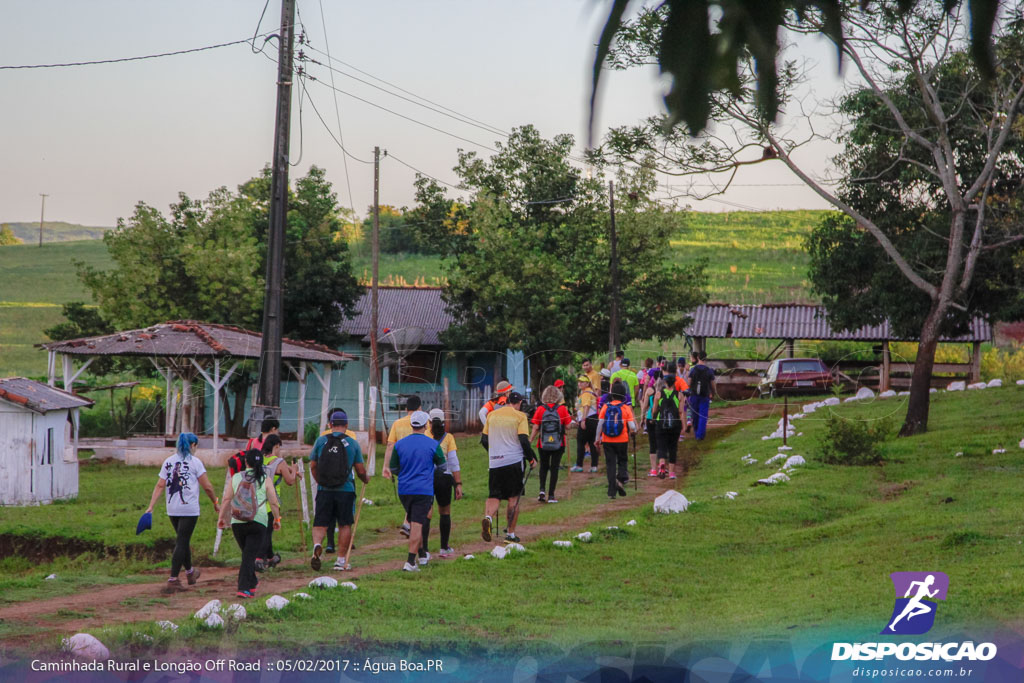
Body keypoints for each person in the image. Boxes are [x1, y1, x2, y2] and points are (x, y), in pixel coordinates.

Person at [144, 433, 219, 593]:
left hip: (172, 508)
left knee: (182, 540)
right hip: (189, 509)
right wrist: (215, 502)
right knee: (182, 542)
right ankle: (173, 579)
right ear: (192, 446)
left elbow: (159, 485)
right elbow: (207, 487)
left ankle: (191, 572)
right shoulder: (195, 462)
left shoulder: (168, 462)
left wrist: (151, 506)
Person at [309, 410, 369, 571]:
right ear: (346, 425)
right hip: (345, 490)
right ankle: (341, 560)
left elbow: (313, 465)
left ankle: (317, 546)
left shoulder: (320, 441)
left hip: (324, 489)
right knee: (344, 524)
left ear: (330, 425)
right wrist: (366, 479)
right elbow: (360, 470)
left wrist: (320, 481)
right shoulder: (353, 444)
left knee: (320, 523)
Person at [386, 411, 446, 572]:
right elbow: (443, 467)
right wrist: (429, 475)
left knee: (414, 521)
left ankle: (421, 553)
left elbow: (393, 468)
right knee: (418, 524)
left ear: (412, 425)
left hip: (404, 489)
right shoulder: (433, 444)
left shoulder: (399, 444)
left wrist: (406, 474)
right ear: (426, 425)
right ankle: (410, 562)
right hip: (423, 490)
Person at [217, 449, 280, 598]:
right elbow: (273, 502)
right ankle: (246, 586)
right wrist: (277, 519)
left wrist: (221, 517)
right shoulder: (266, 479)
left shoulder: (236, 477)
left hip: (237, 521)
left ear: (246, 462)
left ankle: (248, 584)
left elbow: (226, 499)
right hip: (258, 522)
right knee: (248, 555)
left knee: (247, 554)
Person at [480, 391, 537, 543]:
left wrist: (493, 453)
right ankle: (510, 534)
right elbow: (524, 440)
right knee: (513, 498)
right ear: (518, 403)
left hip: (495, 462)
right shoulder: (520, 416)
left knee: (494, 495)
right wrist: (531, 460)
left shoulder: (492, 415)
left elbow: (484, 440)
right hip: (513, 461)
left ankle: (488, 518)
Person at [257, 434, 301, 570]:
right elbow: (290, 481)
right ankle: (259, 559)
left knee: (263, 530)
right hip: (271, 502)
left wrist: (289, 469)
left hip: (257, 500)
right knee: (267, 532)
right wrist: (294, 471)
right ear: (276, 447)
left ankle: (270, 557)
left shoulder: (259, 458)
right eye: (279, 448)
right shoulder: (279, 461)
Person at [382, 395, 421, 537]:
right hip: (419, 462)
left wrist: (386, 466)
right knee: (420, 495)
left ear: (406, 409)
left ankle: (408, 522)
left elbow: (390, 445)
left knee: (408, 493)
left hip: (402, 464)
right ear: (420, 408)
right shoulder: (424, 422)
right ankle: (409, 522)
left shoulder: (397, 424)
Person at [427, 408, 463, 558]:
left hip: (427, 478)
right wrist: (458, 483)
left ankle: (424, 550)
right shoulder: (449, 438)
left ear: (429, 422)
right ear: (444, 422)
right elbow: (454, 462)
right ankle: (444, 547)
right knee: (445, 512)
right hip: (444, 478)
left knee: (427, 514)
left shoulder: (424, 436)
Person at [529, 385, 573, 503]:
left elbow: (536, 427)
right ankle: (552, 495)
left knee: (543, 466)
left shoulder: (540, 409)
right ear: (558, 396)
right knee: (554, 467)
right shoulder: (562, 409)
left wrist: (530, 440)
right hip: (559, 443)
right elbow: (568, 426)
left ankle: (542, 490)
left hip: (542, 443)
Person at [595, 382, 637, 501]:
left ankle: (611, 491)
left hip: (607, 440)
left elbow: (600, 424)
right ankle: (620, 479)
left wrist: (597, 439)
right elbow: (632, 426)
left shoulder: (605, 407)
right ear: (624, 395)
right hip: (622, 439)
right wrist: (633, 431)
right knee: (622, 460)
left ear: (611, 394)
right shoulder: (625, 408)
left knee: (610, 464)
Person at [651, 364, 686, 479]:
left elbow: (655, 409)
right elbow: (681, 411)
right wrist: (683, 425)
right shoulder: (679, 395)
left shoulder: (659, 394)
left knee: (661, 446)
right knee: (673, 447)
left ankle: (661, 463)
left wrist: (653, 418)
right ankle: (671, 472)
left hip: (661, 423)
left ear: (665, 383)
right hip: (675, 424)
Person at [572, 374, 600, 473]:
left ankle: (579, 465)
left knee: (581, 442)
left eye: (582, 382)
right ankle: (594, 465)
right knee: (592, 442)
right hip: (594, 419)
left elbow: (586, 407)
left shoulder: (586, 394)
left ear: (587, 383)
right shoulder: (591, 392)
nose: (579, 383)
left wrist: (583, 420)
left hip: (587, 419)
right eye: (579, 381)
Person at [639, 368, 663, 477]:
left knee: (652, 443)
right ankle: (662, 465)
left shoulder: (649, 390)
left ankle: (653, 469)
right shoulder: (666, 390)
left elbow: (644, 407)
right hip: (662, 418)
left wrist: (642, 419)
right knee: (662, 442)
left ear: (653, 378)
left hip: (650, 418)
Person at [687, 352, 716, 441]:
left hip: (694, 395)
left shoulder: (693, 370)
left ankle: (696, 432)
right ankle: (700, 435)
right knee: (703, 416)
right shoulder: (709, 370)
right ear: (706, 358)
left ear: (698, 357)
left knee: (695, 414)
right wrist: (713, 393)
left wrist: (689, 391)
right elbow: (713, 384)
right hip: (704, 395)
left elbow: (689, 383)